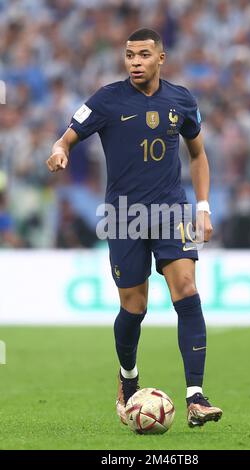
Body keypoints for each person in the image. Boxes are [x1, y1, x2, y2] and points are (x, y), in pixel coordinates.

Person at [46, 28, 222, 427]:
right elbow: (67, 138)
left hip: (172, 211)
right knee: (134, 306)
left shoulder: (182, 100)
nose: (135, 62)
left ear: (161, 58)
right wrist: (59, 150)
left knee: (187, 289)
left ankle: (196, 396)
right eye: (129, 56)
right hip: (124, 215)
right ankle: (128, 380)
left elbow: (198, 155)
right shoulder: (107, 99)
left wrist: (203, 207)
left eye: (144, 54)